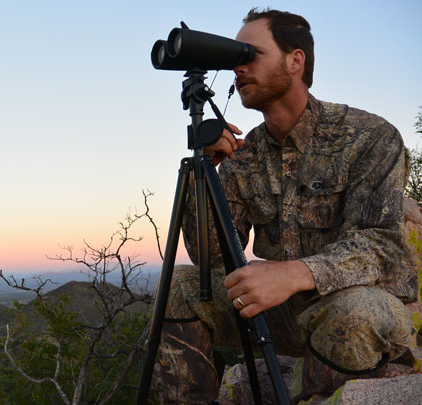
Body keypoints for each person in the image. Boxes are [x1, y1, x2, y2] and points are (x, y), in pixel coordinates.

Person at [155, 8, 418, 404]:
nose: (238, 68)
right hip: (281, 316)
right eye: (234, 58)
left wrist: (294, 273)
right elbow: (208, 255)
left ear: (296, 60)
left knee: (352, 311)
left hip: (359, 306)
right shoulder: (245, 155)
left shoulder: (368, 136)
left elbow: (381, 246)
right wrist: (203, 171)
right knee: (181, 286)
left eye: (249, 54)